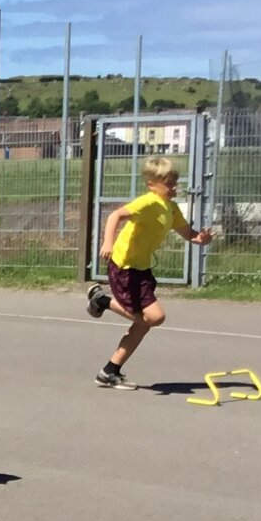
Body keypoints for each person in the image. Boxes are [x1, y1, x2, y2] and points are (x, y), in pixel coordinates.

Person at [84, 155, 213, 387]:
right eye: (168, 183)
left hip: (141, 269)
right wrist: (107, 243)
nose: (174, 187)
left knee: (143, 324)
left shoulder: (171, 208)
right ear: (152, 184)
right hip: (124, 266)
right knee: (155, 317)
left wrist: (200, 238)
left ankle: (109, 371)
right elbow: (116, 215)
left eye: (175, 182)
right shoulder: (148, 202)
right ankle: (102, 300)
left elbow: (187, 233)